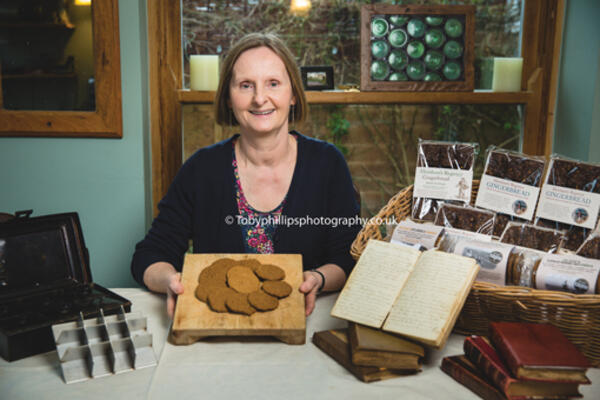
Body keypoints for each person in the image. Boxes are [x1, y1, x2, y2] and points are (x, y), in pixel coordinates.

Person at [131, 32, 361, 318]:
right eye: (245, 85)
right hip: (218, 327)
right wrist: (170, 281)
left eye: (273, 84)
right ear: (228, 98)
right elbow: (150, 255)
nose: (259, 98)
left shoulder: (328, 163)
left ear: (292, 95)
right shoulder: (201, 169)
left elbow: (349, 255)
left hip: (307, 323)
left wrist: (318, 278)